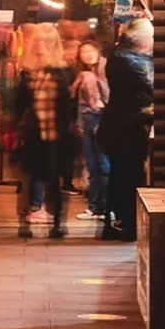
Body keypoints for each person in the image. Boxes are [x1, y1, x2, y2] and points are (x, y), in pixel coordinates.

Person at [15, 24, 77, 239]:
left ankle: (58, 222)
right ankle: (26, 221)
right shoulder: (27, 71)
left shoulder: (63, 71)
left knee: (54, 179)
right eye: (38, 40)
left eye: (47, 41)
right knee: (31, 178)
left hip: (57, 134)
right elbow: (19, 102)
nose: (41, 45)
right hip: (34, 133)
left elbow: (69, 105)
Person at [100, 19, 154, 241]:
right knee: (125, 177)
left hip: (122, 127)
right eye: (151, 37)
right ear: (141, 39)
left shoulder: (123, 56)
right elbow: (149, 84)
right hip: (125, 128)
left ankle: (118, 224)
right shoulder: (127, 59)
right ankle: (122, 223)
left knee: (121, 176)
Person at [73, 41, 110, 222]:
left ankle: (106, 207)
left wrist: (94, 80)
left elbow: (109, 97)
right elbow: (79, 101)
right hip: (87, 121)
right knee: (93, 167)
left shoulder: (106, 68)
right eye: (83, 52)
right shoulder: (84, 73)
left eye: (90, 50)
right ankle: (95, 207)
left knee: (104, 166)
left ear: (98, 50)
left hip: (102, 119)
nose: (87, 54)